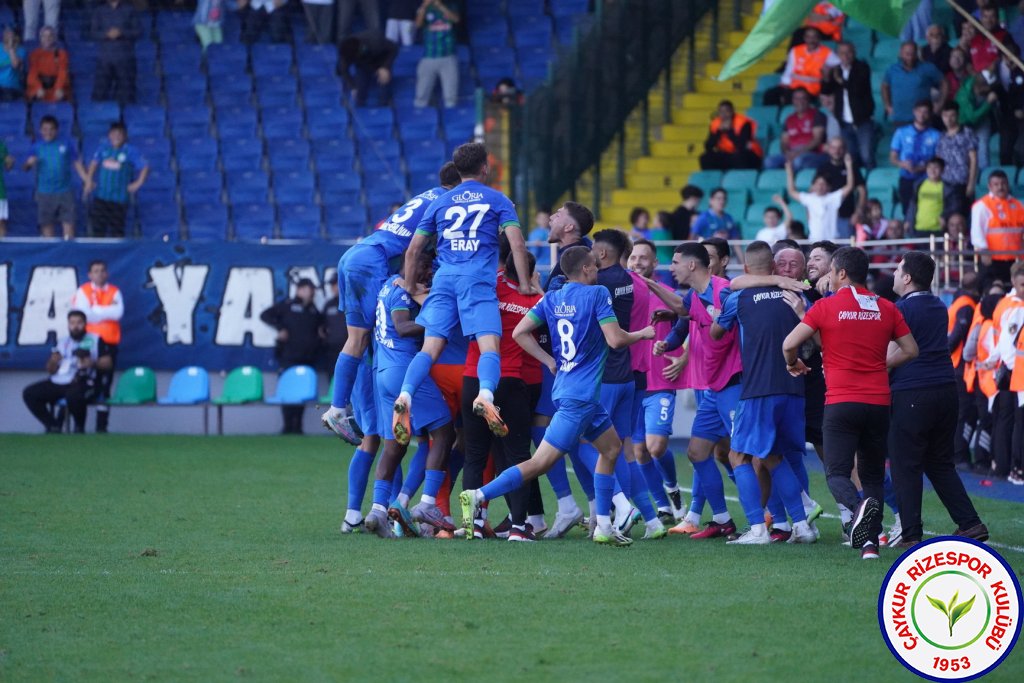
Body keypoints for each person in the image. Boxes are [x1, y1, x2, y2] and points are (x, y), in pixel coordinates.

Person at [460, 245, 655, 546]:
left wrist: (549, 360)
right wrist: (642, 334)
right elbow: (615, 339)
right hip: (580, 397)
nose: (597, 271)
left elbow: (519, 332)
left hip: (575, 392)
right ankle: (478, 495)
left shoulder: (552, 297)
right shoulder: (598, 294)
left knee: (612, 449)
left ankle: (604, 524)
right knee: (540, 464)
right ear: (587, 269)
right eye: (594, 266)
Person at [783, 247, 919, 560]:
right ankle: (869, 546)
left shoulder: (826, 307)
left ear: (841, 273)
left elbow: (789, 343)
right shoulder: (886, 307)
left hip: (842, 401)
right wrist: (884, 365)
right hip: (878, 402)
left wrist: (793, 363)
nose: (829, 277)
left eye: (831, 271)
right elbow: (911, 350)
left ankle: (859, 511)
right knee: (872, 475)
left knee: (836, 473)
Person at [393, 143, 532, 446]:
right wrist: (523, 284)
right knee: (489, 347)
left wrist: (410, 284)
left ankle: (405, 393)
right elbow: (517, 245)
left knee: (429, 349)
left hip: (445, 278)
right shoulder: (498, 200)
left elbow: (415, 249)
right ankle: (485, 394)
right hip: (476, 280)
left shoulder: (440, 203)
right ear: (485, 168)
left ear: (457, 169)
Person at [322, 163, 460, 444]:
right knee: (374, 340)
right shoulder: (446, 202)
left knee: (356, 340)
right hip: (373, 261)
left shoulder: (427, 195)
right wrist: (409, 285)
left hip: (357, 254)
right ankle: (362, 417)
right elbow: (413, 249)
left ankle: (340, 409)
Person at [712, 241, 818, 545]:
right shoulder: (795, 294)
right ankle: (802, 525)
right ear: (773, 267)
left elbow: (717, 333)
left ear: (747, 269)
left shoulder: (740, 297)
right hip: (794, 387)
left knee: (738, 455)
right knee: (773, 456)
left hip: (758, 388)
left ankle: (758, 528)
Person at [889, 252, 989, 546]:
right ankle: (969, 523)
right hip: (946, 389)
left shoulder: (901, 310)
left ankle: (910, 533)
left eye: (897, 270)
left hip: (912, 391)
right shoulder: (937, 305)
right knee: (939, 462)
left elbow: (892, 353)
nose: (894, 274)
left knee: (905, 464)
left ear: (907, 277)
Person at [647, 243, 741, 540]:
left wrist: (648, 283)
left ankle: (786, 518)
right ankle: (720, 519)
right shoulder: (695, 295)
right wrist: (670, 343)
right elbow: (682, 318)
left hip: (732, 383)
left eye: (674, 262)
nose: (671, 267)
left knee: (745, 456)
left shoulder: (724, 291)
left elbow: (712, 328)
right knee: (701, 452)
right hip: (710, 385)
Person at [364, 254, 455, 538]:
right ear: (411, 264)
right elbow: (403, 327)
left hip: (382, 371)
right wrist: (438, 323)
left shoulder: (388, 285)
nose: (429, 273)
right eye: (426, 266)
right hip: (403, 369)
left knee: (394, 445)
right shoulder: (403, 292)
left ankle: (378, 510)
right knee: (444, 431)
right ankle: (428, 503)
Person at [586, 228, 666, 539]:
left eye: (593, 249)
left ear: (602, 253)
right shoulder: (630, 283)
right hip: (627, 375)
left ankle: (618, 508)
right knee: (622, 450)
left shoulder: (598, 285)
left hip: (604, 375)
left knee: (593, 445)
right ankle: (651, 519)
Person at [460, 251, 542, 541]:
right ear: (529, 273)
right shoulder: (536, 300)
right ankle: (519, 528)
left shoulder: (488, 286)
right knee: (518, 456)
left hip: (474, 377)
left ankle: (476, 525)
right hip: (510, 381)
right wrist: (536, 286)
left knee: (475, 457)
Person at [22, 310, 112, 433]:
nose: (76, 327)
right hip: (60, 380)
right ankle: (52, 426)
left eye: (79, 323)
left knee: (73, 395)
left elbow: (108, 363)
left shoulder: (96, 340)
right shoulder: (62, 341)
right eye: (72, 323)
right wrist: (53, 362)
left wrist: (92, 363)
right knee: (30, 393)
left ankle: (79, 427)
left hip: (84, 381)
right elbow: (50, 370)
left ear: (85, 324)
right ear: (68, 325)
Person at [260, 279, 325, 435]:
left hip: (307, 357)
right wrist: (280, 328)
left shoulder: (313, 310)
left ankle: (298, 426)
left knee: (301, 393)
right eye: (309, 289)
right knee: (288, 392)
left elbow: (320, 326)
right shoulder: (287, 305)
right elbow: (265, 315)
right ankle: (287, 425)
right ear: (300, 290)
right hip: (289, 356)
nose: (312, 293)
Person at [69, 260, 123, 433]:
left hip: (109, 343)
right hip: (88, 343)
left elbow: (118, 312)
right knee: (80, 379)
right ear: (90, 274)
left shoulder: (114, 291)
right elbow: (83, 315)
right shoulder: (83, 290)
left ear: (106, 273)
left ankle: (101, 426)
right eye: (95, 271)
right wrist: (105, 310)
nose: (99, 274)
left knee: (105, 384)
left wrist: (95, 310)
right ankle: (78, 424)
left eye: (102, 270)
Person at [24, 115, 87, 239]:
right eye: (45, 129)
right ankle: (50, 256)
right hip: (45, 193)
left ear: (56, 130)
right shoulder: (36, 147)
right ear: (40, 130)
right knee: (47, 227)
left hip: (65, 192)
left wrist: (86, 179)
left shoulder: (67, 144)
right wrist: (29, 163)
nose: (48, 132)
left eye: (51, 129)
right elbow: (26, 167)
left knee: (69, 227)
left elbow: (77, 164)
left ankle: (68, 254)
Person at [83, 121, 149, 238]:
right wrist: (89, 180)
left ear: (125, 136)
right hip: (101, 197)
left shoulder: (130, 151)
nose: (116, 137)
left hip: (119, 199)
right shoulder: (103, 149)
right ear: (109, 135)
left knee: (117, 231)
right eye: (114, 134)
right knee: (98, 229)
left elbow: (145, 166)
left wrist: (138, 183)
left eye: (120, 134)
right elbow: (94, 164)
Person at [822, 41, 876, 170]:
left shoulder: (862, 67)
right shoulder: (836, 71)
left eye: (849, 52)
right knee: (851, 157)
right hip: (845, 122)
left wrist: (840, 80)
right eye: (842, 53)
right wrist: (826, 76)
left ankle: (870, 179)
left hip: (863, 121)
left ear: (854, 53)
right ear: (837, 55)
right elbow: (826, 91)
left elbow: (856, 90)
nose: (845, 56)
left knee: (866, 155)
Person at [947, 271, 981, 469]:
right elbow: (958, 334)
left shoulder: (957, 302)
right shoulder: (967, 306)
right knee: (963, 413)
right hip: (959, 365)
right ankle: (959, 456)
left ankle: (956, 454)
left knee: (958, 413)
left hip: (953, 364)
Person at [970, 169, 1024, 288]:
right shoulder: (982, 205)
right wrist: (984, 251)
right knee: (993, 291)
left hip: (1014, 260)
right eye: (996, 184)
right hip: (992, 259)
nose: (1000, 187)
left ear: (1008, 185)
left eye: (1003, 183)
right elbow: (977, 232)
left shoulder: (1018, 205)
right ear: (990, 186)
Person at [785, 155, 855, 242]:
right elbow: (791, 191)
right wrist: (789, 172)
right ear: (813, 185)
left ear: (829, 187)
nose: (820, 186)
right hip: (814, 240)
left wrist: (848, 166)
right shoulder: (809, 198)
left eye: (823, 184)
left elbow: (849, 186)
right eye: (818, 183)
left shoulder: (834, 197)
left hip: (832, 241)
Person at [890, 100, 942, 215]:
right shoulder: (901, 132)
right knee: (907, 211)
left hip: (927, 179)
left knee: (925, 211)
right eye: (919, 111)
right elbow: (893, 157)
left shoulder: (936, 135)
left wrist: (923, 168)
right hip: (906, 178)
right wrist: (903, 164)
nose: (922, 115)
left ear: (930, 114)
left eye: (925, 112)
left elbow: (939, 159)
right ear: (914, 112)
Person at [763, 27, 839, 105]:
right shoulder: (796, 50)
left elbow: (838, 65)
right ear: (805, 38)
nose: (811, 40)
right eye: (808, 37)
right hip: (794, 86)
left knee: (796, 97)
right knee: (770, 94)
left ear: (819, 39)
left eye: (814, 37)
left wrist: (828, 72)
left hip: (812, 88)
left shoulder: (827, 52)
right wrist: (784, 84)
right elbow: (789, 69)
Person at [882, 42, 946, 127]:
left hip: (923, 118)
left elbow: (944, 83)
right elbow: (884, 86)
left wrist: (940, 103)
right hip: (900, 118)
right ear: (901, 54)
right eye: (907, 54)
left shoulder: (928, 68)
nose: (910, 57)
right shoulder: (892, 69)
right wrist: (887, 105)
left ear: (917, 54)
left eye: (913, 54)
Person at [763, 88, 827, 171]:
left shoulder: (817, 115)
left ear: (808, 100)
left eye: (803, 98)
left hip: (811, 153)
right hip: (792, 153)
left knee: (798, 161)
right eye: (796, 98)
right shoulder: (789, 119)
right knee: (769, 162)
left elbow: (817, 140)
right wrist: (787, 153)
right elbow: (784, 142)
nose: (799, 101)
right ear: (793, 101)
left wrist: (798, 153)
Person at [815, 137, 865, 239]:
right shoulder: (823, 168)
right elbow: (813, 190)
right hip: (826, 218)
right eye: (833, 147)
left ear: (845, 149)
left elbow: (862, 191)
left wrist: (858, 211)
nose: (836, 151)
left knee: (846, 251)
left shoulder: (852, 167)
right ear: (829, 149)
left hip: (846, 216)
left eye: (840, 148)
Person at [935, 101, 979, 219]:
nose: (949, 119)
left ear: (958, 115)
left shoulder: (967, 132)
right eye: (945, 116)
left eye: (952, 115)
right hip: (945, 183)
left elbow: (973, 159)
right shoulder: (942, 136)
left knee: (960, 217)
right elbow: (938, 160)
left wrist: (971, 183)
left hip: (961, 182)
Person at [91, 0, 139, 104]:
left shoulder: (130, 10)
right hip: (105, 59)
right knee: (100, 94)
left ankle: (125, 118)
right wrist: (106, 34)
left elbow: (138, 31)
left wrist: (122, 33)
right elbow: (93, 33)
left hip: (125, 58)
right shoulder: (99, 11)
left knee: (126, 94)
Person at [413, 0, 459, 109]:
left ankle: (451, 121)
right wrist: (424, 6)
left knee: (450, 96)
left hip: (448, 56)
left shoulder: (451, 5)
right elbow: (418, 24)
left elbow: (456, 19)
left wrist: (440, 6)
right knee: (421, 94)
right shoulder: (424, 8)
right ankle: (420, 116)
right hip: (429, 56)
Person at [338, 30, 398, 107]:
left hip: (381, 60)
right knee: (359, 94)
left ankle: (384, 106)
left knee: (384, 84)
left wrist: (385, 67)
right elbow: (344, 70)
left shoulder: (375, 40)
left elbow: (394, 48)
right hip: (362, 65)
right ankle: (361, 106)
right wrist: (352, 87)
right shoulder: (346, 52)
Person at [698, 100, 763, 170]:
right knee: (705, 158)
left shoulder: (743, 123)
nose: (724, 115)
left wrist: (729, 131)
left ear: (732, 112)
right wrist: (718, 132)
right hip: (728, 154)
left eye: (726, 111)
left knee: (739, 156)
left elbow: (742, 145)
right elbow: (708, 147)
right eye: (721, 112)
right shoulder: (715, 124)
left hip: (749, 154)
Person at [955, 72, 998, 170]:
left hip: (982, 120)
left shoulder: (982, 86)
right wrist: (988, 102)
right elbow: (972, 117)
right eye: (986, 89)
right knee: (964, 152)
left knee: (983, 148)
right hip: (964, 123)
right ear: (979, 87)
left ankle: (984, 175)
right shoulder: (964, 94)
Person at [904, 157, 947, 236]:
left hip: (937, 229)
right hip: (919, 228)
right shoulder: (919, 184)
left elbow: (951, 206)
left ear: (942, 170)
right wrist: (908, 220)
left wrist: (945, 217)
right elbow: (913, 204)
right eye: (929, 167)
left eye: (936, 167)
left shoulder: (947, 187)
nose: (932, 170)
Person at [26, 26, 69, 103]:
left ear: (54, 38)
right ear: (40, 38)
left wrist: (58, 88)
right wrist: (38, 88)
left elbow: (62, 73)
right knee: (35, 96)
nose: (47, 38)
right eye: (44, 36)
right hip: (40, 86)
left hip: (56, 86)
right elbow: (32, 74)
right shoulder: (35, 54)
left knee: (61, 97)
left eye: (50, 36)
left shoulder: (62, 54)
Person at [321, 273, 347, 370]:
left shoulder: (353, 303)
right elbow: (321, 325)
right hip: (332, 351)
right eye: (332, 285)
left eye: (336, 284)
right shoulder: (328, 305)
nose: (333, 287)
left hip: (352, 350)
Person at [0, 26, 25, 101]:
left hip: (11, 87)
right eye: (6, 33)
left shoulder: (21, 51)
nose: (8, 35)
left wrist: (11, 48)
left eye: (11, 33)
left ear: (15, 36)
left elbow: (15, 65)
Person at [0, 138, 12, 238]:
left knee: (1, 223)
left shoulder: (1, 146)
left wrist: (10, 162)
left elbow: (8, 167)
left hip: (0, 193)